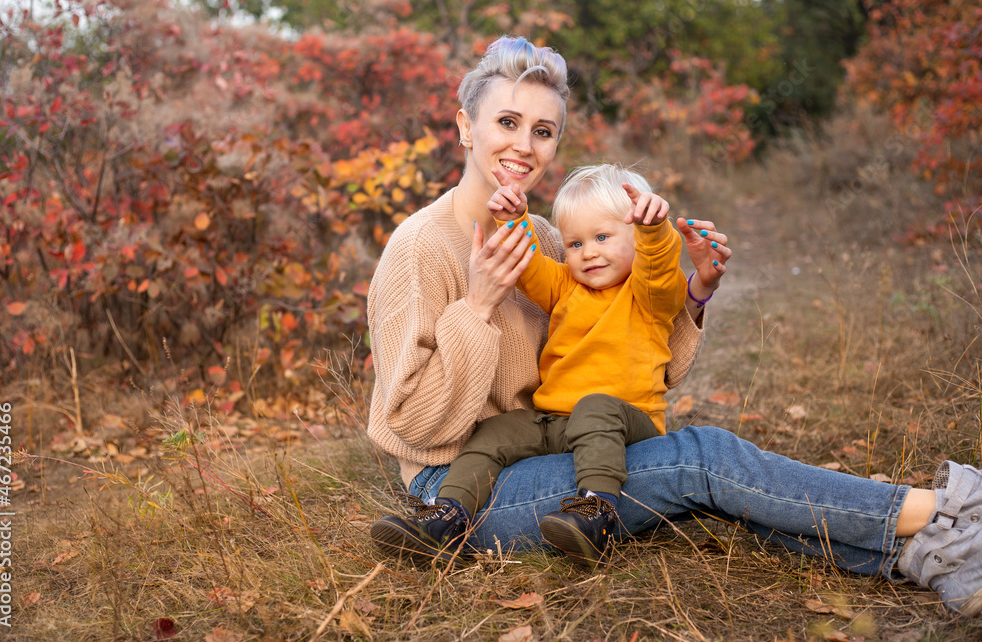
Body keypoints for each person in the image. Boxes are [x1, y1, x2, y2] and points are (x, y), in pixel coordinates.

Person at [365, 35, 982, 615]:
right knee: (702, 460)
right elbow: (409, 428)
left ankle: (928, 554)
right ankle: (950, 509)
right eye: (507, 123)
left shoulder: (555, 241)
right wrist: (474, 309)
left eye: (543, 130)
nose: (525, 145)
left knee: (704, 490)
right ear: (465, 128)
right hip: (464, 488)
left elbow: (634, 356)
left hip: (564, 445)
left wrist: (695, 292)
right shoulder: (421, 247)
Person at [372, 162, 691, 568]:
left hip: (628, 423)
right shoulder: (566, 286)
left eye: (603, 237)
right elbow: (532, 268)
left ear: (636, 238)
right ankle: (446, 518)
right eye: (574, 244)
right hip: (558, 421)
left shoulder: (647, 294)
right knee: (496, 430)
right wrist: (515, 219)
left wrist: (655, 231)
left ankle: (598, 513)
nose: (588, 252)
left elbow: (661, 271)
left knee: (595, 407)